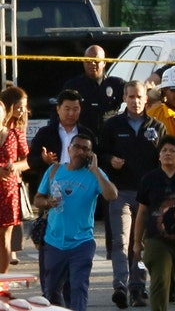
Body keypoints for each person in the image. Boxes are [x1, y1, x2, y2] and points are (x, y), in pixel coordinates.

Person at [100, 80, 167, 308]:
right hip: (120, 193)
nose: (135, 101)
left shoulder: (157, 127)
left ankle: (138, 288)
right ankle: (120, 286)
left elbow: (164, 159)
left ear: (146, 98)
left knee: (141, 243)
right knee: (120, 241)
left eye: (139, 97)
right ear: (124, 99)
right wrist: (111, 160)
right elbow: (101, 153)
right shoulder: (113, 126)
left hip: (147, 196)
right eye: (130, 97)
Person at [33, 133, 118, 310]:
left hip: (82, 242)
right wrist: (48, 202)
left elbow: (112, 195)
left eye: (85, 149)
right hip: (54, 242)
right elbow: (37, 199)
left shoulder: (94, 174)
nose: (80, 151)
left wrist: (95, 170)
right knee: (52, 290)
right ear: (69, 149)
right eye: (77, 147)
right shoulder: (54, 170)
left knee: (79, 287)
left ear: (91, 154)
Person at [27, 89, 96, 295]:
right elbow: (31, 162)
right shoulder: (46, 133)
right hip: (52, 196)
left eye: (75, 109)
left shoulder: (86, 135)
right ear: (58, 109)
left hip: (79, 197)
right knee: (50, 258)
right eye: (67, 108)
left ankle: (70, 297)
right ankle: (49, 297)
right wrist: (44, 161)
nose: (71, 113)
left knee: (76, 262)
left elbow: (95, 164)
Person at [133, 135, 175, 311]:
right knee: (159, 281)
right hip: (156, 238)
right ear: (159, 155)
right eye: (164, 151)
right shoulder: (149, 179)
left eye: (173, 151)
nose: (168, 154)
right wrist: (137, 242)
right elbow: (142, 212)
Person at [63, 45, 125, 136]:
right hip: (82, 139)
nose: (92, 63)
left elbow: (137, 97)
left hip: (109, 138)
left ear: (104, 63)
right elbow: (59, 112)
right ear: (83, 62)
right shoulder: (73, 86)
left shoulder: (117, 85)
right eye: (88, 60)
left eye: (96, 60)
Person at [0, 87, 30, 267]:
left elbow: (28, 160)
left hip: (8, 190)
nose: (22, 111)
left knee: (5, 238)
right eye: (19, 107)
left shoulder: (16, 133)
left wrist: (14, 168)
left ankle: (2, 283)